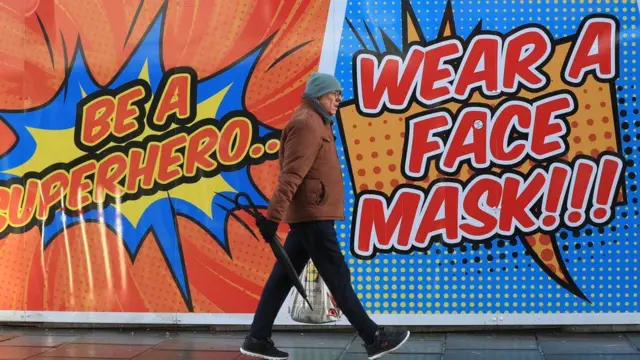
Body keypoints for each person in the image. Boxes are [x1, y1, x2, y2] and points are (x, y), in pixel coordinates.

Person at [240, 72, 410, 360]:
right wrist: (273, 218)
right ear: (319, 94)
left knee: (283, 277)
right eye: (335, 94)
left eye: (340, 95)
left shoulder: (317, 121)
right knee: (337, 274)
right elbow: (291, 175)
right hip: (313, 216)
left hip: (312, 214)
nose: (339, 100)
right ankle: (373, 338)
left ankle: (257, 338)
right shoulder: (306, 124)